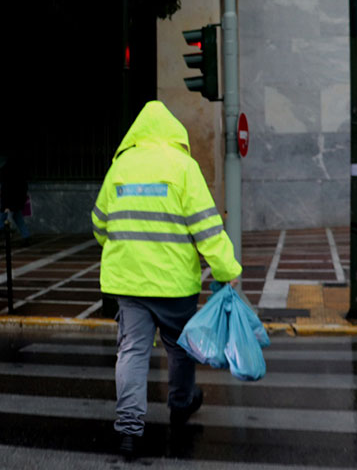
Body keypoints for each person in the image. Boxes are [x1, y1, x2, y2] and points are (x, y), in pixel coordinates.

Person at [91, 101, 242, 460]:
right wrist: (227, 270)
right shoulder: (183, 166)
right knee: (180, 347)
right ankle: (180, 404)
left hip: (128, 281)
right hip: (175, 284)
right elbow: (207, 228)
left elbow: (99, 224)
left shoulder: (120, 167)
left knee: (132, 351)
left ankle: (129, 430)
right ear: (174, 133)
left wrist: (127, 245)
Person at [0, 154, 30, 242]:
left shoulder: (8, 177)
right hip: (16, 201)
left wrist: (6, 206)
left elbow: (7, 192)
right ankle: (26, 236)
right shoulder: (19, 174)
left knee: (3, 219)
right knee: (18, 218)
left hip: (9, 202)